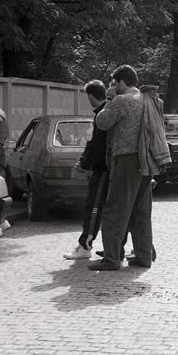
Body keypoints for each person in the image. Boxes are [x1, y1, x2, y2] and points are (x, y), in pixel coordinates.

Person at [88, 65, 165, 271]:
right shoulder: (150, 100)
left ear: (122, 82)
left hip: (126, 161)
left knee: (115, 210)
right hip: (146, 161)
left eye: (114, 83)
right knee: (141, 212)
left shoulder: (121, 101)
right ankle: (143, 256)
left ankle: (111, 259)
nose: (113, 87)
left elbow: (102, 122)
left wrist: (110, 99)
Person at [64, 80, 109, 260]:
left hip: (102, 171)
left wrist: (85, 164)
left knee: (94, 208)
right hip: (104, 169)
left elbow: (97, 146)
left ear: (90, 96)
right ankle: (114, 247)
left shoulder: (102, 115)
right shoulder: (105, 113)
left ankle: (85, 246)